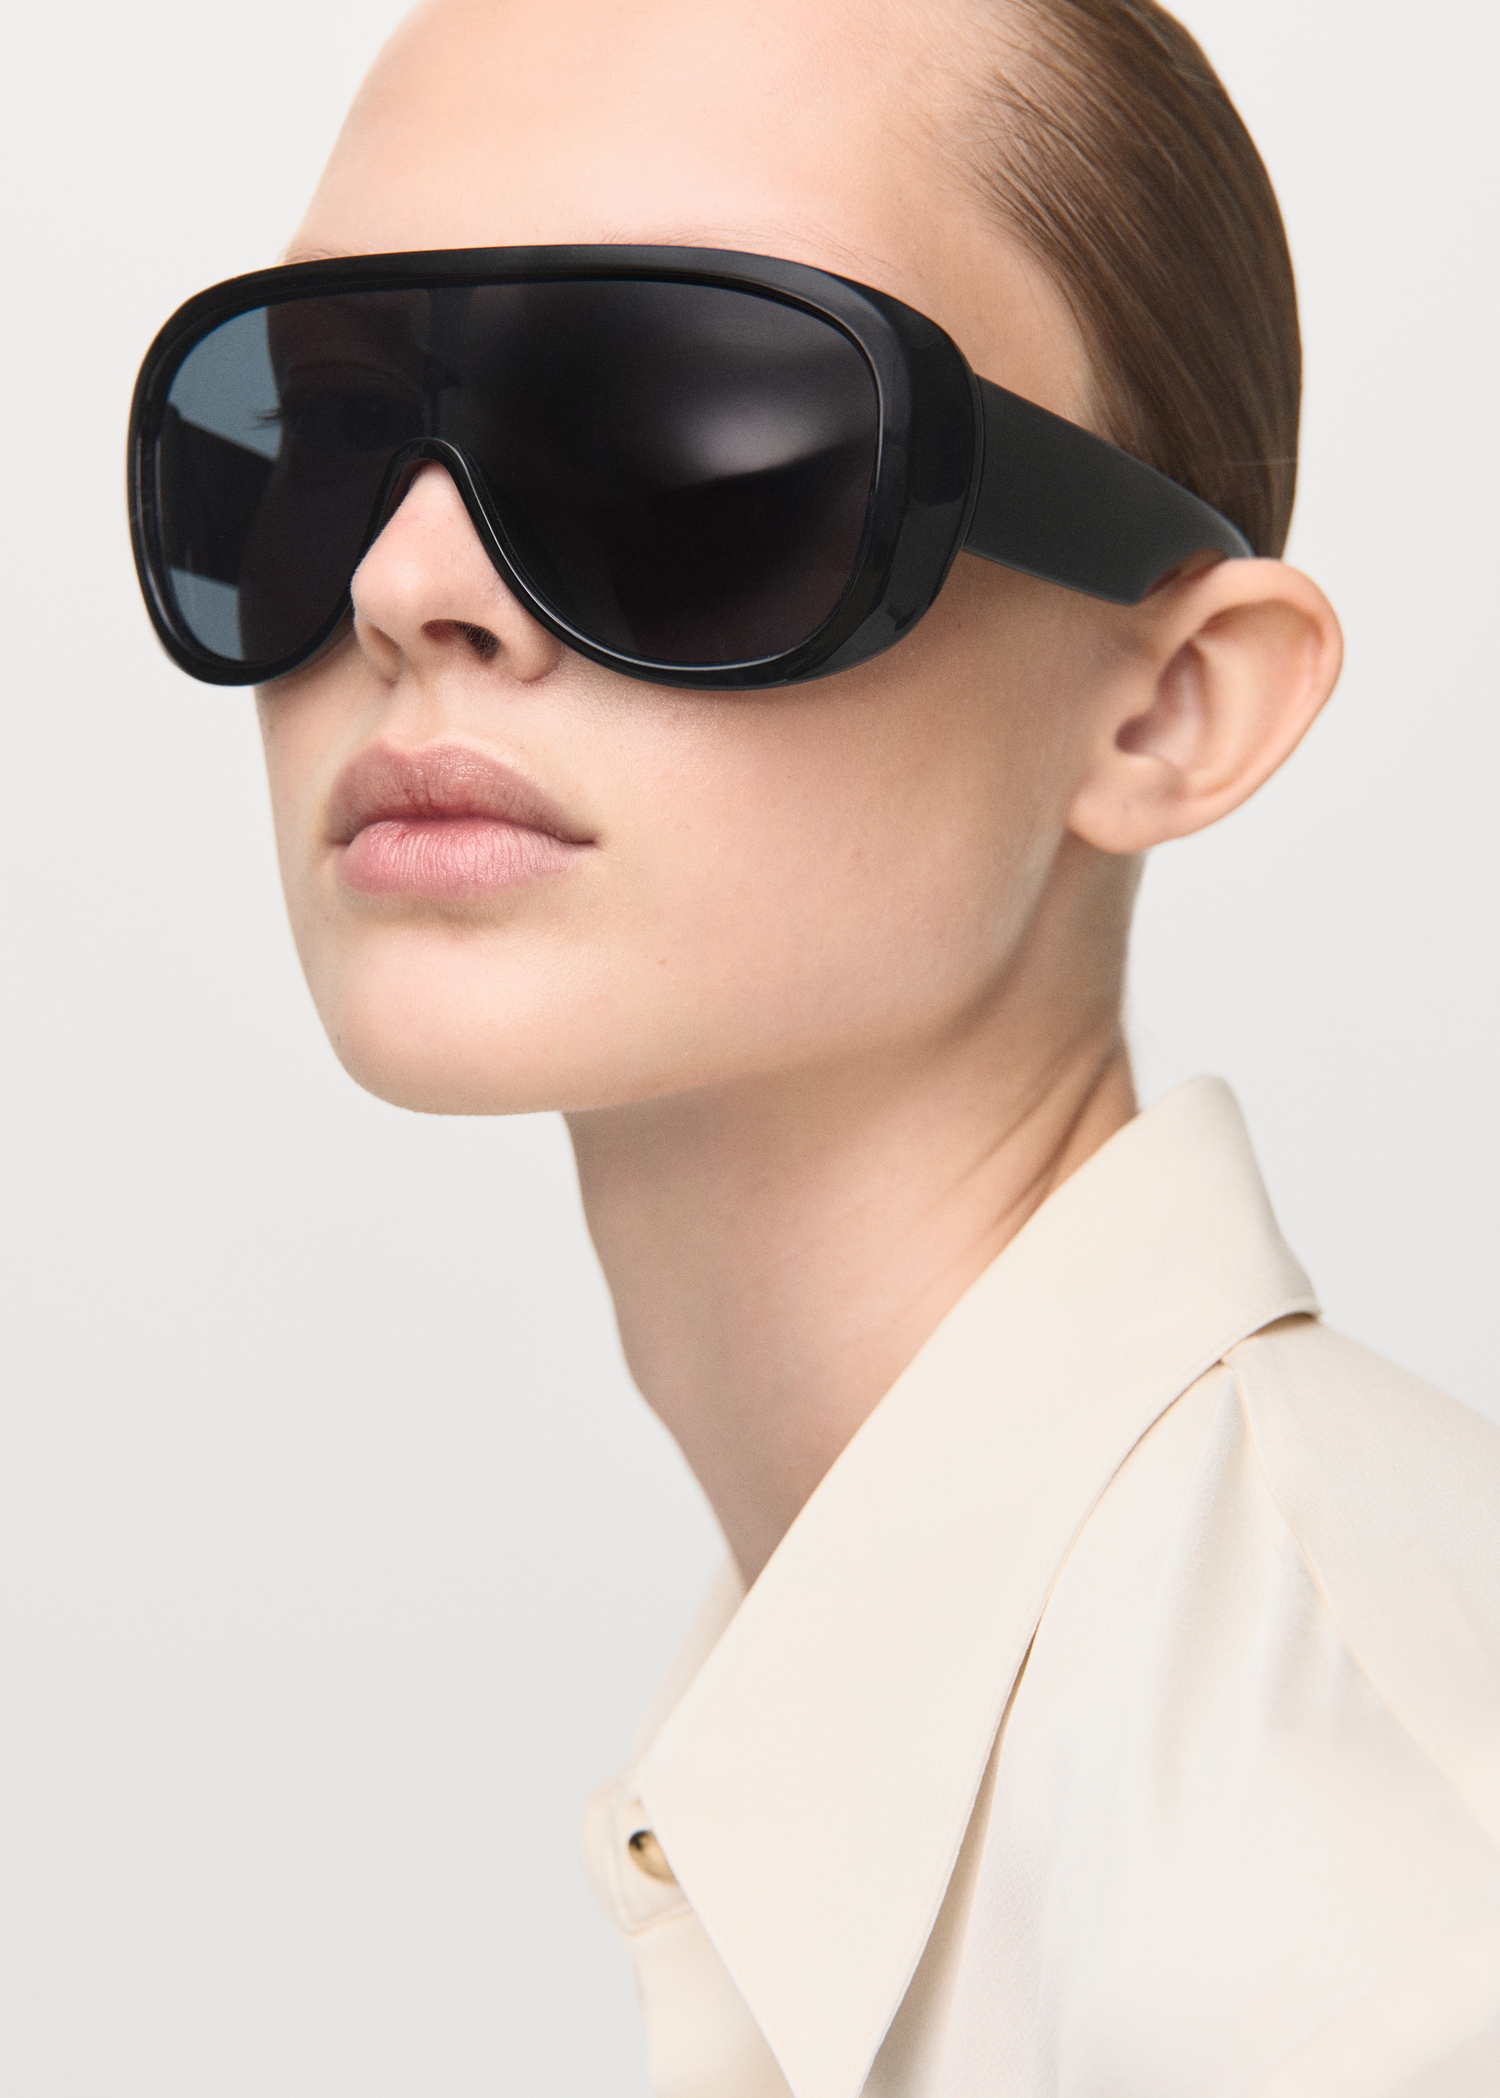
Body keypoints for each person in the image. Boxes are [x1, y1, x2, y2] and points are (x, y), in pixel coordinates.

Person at [125, 0, 1500, 2090]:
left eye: (693, 433)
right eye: (320, 433)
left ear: (1173, 702)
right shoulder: (896, 1724)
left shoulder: (1360, 1946)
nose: (405, 583)